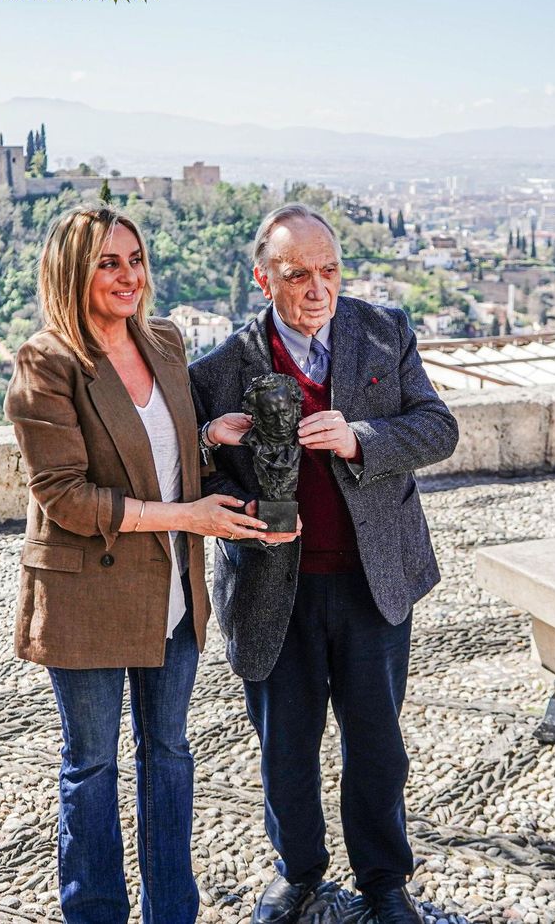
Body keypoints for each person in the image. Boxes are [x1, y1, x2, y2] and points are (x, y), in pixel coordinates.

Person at [5, 204, 280, 924]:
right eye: (108, 262)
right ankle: (93, 913)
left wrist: (209, 438)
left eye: (134, 259)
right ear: (74, 271)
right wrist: (190, 518)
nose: (129, 275)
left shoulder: (162, 340)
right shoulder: (47, 362)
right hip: (86, 595)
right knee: (91, 765)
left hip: (172, 592)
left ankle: (172, 913)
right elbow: (64, 496)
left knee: (168, 754)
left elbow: (162, 454)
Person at [190, 204, 459, 924]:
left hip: (375, 580)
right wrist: (229, 477)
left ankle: (383, 879)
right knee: (285, 746)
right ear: (262, 278)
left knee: (377, 742)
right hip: (274, 588)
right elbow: (192, 473)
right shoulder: (218, 368)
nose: (318, 289)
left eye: (330, 271)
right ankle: (298, 870)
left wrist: (360, 437)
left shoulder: (384, 331)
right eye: (298, 274)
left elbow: (438, 428)